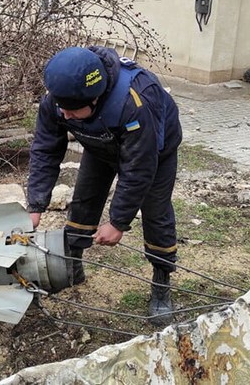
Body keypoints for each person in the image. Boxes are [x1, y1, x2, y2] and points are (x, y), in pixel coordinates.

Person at [26, 46, 182, 325]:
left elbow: (138, 169)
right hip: (101, 145)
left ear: (95, 98)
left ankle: (161, 284)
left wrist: (118, 223)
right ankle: (73, 268)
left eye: (73, 110)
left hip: (154, 153)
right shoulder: (57, 100)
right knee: (84, 201)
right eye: (62, 108)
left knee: (156, 214)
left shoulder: (134, 101)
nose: (66, 115)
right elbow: (45, 149)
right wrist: (36, 204)